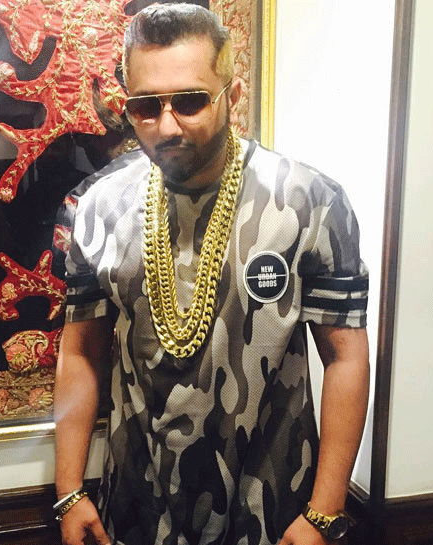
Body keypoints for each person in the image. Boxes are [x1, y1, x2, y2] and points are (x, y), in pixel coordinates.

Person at [53, 4, 370, 544]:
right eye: (146, 106)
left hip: (274, 507)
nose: (167, 125)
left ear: (233, 95)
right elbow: (81, 350)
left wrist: (325, 510)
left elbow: (346, 356)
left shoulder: (310, 202)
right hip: (135, 508)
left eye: (190, 101)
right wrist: (69, 490)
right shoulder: (99, 208)